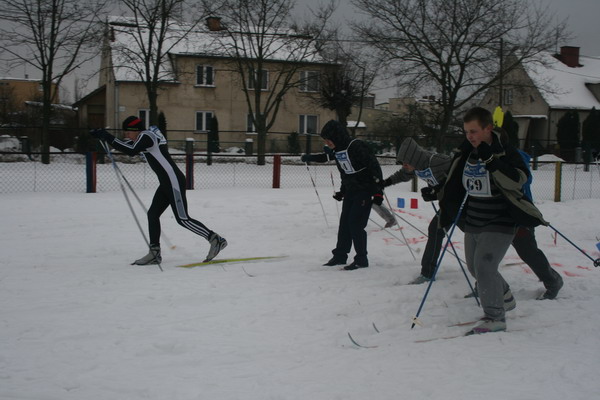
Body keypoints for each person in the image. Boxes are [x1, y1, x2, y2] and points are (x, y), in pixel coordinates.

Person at [437, 107, 548, 335]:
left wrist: (492, 161)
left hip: (501, 220)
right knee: (475, 268)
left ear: (488, 128)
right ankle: (504, 297)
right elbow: (456, 180)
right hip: (474, 220)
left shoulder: (506, 152)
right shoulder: (466, 152)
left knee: (486, 267)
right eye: (467, 131)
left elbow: (518, 180)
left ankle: (495, 317)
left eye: (474, 131)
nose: (470, 136)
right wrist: (438, 191)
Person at [90, 116, 227, 265]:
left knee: (182, 219)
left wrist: (107, 137)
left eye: (128, 132)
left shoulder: (146, 136)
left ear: (136, 130)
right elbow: (124, 145)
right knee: (153, 214)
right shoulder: (141, 138)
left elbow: (131, 151)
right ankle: (154, 253)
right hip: (166, 183)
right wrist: (102, 136)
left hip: (173, 181)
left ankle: (215, 239)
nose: (127, 135)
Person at [301, 120, 384, 270]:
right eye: (325, 140)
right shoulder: (339, 150)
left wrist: (378, 192)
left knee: (355, 223)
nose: (327, 143)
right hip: (351, 190)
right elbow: (345, 172)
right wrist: (342, 191)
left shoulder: (356, 146)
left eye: (328, 139)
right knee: (345, 223)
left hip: (365, 189)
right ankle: (340, 256)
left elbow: (374, 167)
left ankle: (361, 259)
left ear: (337, 136)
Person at [381, 137, 453, 284]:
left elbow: (459, 170)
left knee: (477, 235)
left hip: (464, 203)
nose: (404, 166)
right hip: (449, 205)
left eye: (406, 162)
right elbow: (402, 175)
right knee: (435, 230)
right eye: (402, 163)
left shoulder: (438, 161)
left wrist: (439, 189)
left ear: (414, 158)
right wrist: (384, 183)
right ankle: (427, 273)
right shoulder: (416, 166)